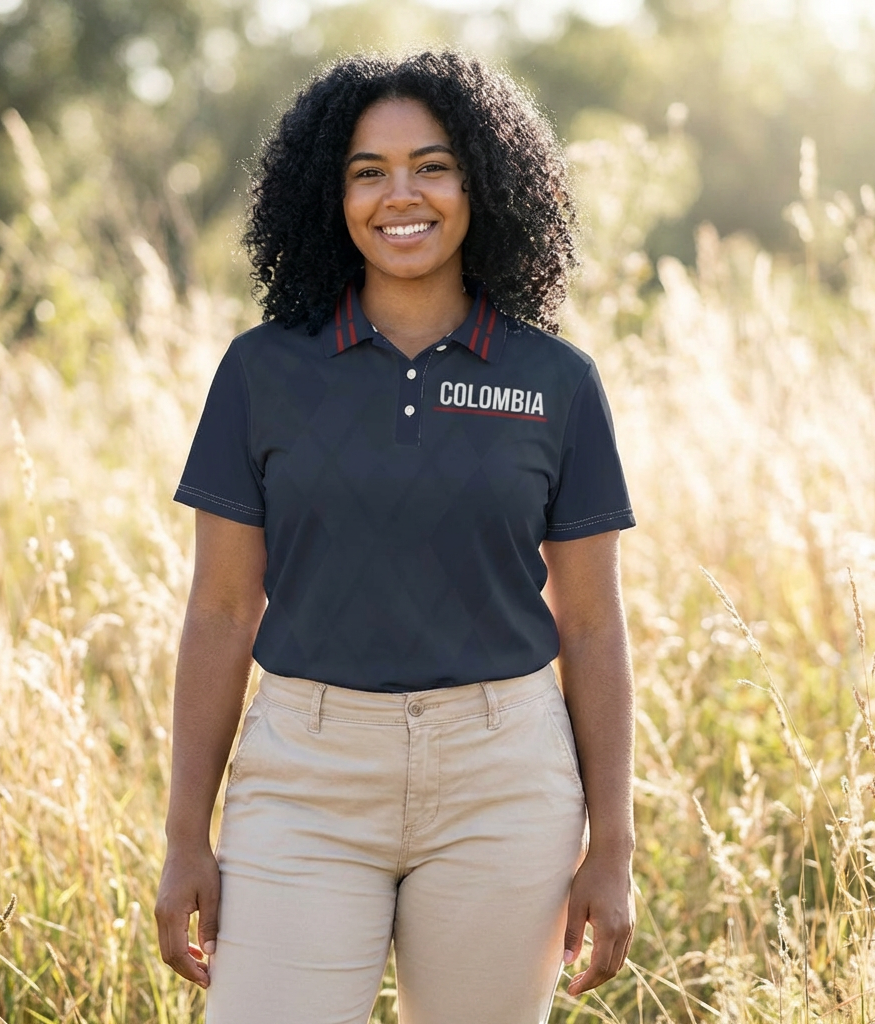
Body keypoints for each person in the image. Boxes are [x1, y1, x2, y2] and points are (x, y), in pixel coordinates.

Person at [155, 50, 636, 1024]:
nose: (399, 195)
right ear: (328, 196)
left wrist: (614, 846)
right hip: (304, 778)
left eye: (432, 165)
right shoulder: (261, 373)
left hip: (504, 782)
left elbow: (589, 624)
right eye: (366, 172)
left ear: (482, 184)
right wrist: (183, 838)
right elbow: (219, 607)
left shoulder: (556, 381)